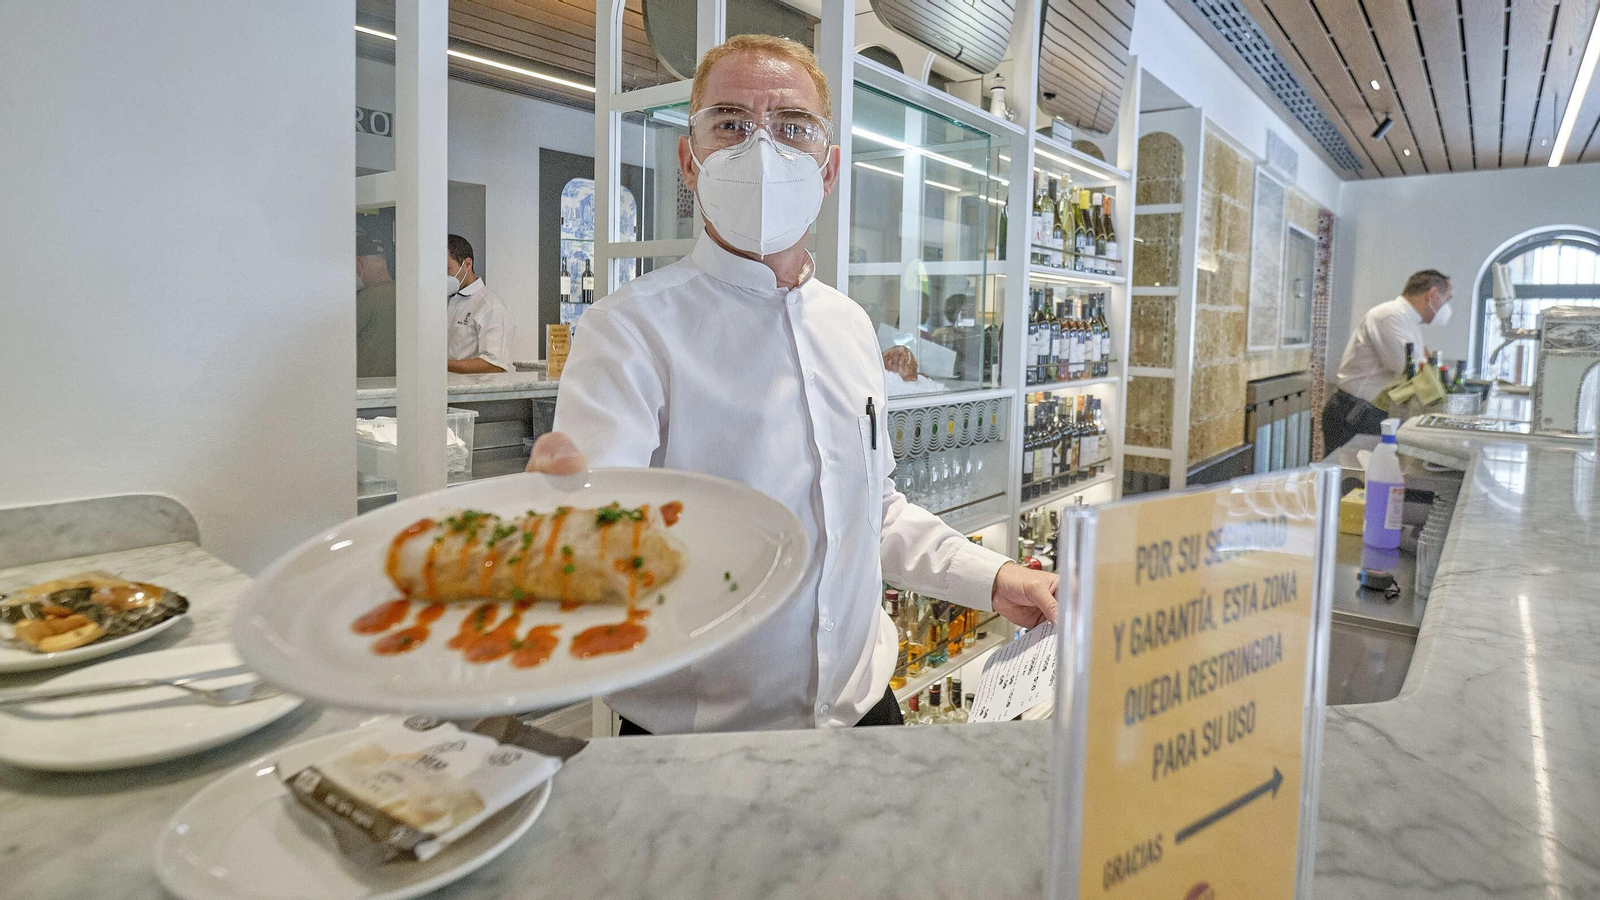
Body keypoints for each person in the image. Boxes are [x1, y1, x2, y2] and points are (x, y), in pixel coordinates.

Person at [526, 34, 1057, 735]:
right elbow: (594, 540)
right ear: (690, 160)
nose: (762, 148)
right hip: (699, 745)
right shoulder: (628, 331)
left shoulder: (850, 327)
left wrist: (992, 578)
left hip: (868, 715)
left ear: (829, 168)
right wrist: (555, 528)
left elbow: (874, 510)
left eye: (792, 127)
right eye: (730, 124)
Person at [1323, 269, 1453, 452]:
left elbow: (1422, 365)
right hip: (1356, 413)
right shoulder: (1389, 316)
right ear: (1432, 295)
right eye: (1447, 299)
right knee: (1353, 477)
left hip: (1370, 411)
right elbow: (1409, 371)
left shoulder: (1409, 322)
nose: (1446, 307)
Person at [445, 234, 515, 374]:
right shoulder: (447, 301)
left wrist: (440, 364)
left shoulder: (491, 307)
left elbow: (494, 365)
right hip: (444, 390)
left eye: (447, 268)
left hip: (474, 393)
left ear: (467, 264)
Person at [355, 233, 396, 378]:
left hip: (368, 392)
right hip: (399, 390)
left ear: (360, 263)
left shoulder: (365, 299)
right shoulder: (405, 294)